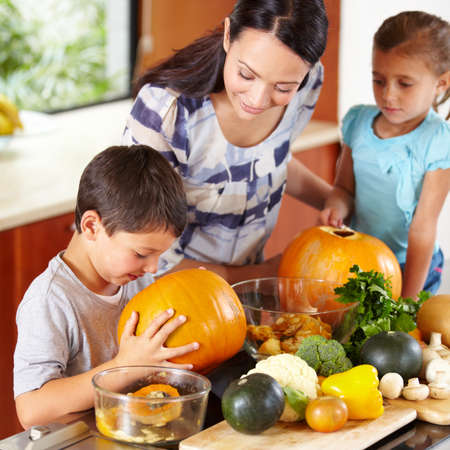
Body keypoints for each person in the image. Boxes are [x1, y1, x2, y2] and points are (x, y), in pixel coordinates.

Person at [122, 0, 332, 284]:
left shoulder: (309, 80)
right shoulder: (165, 111)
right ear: (227, 35)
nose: (257, 100)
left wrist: (334, 199)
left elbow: (270, 160)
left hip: (245, 294)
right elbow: (148, 257)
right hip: (167, 297)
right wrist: (263, 275)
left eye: (283, 87)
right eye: (246, 74)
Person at [13, 145, 199, 428]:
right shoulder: (50, 301)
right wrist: (124, 368)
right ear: (91, 227)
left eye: (160, 255)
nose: (153, 268)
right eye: (141, 254)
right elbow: (31, 409)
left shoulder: (137, 280)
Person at [320, 11, 450, 298]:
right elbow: (343, 188)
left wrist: (409, 298)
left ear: (441, 83)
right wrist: (336, 207)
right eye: (379, 80)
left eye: (404, 83)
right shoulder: (358, 123)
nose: (388, 95)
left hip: (410, 266)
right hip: (359, 260)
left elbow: (422, 228)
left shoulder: (438, 141)